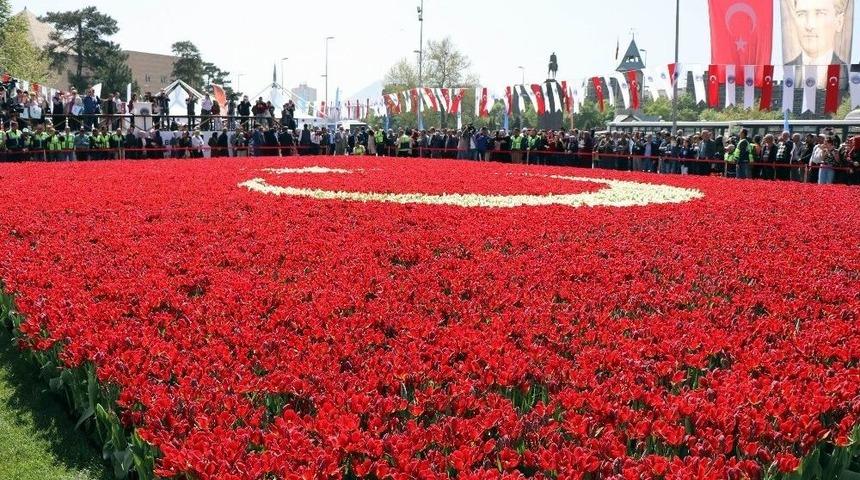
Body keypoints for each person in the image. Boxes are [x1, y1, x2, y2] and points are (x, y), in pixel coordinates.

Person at [786, 0, 849, 66]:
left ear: (839, 22)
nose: (809, 26)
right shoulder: (782, 70)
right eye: (801, 14)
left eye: (820, 14)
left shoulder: (850, 72)